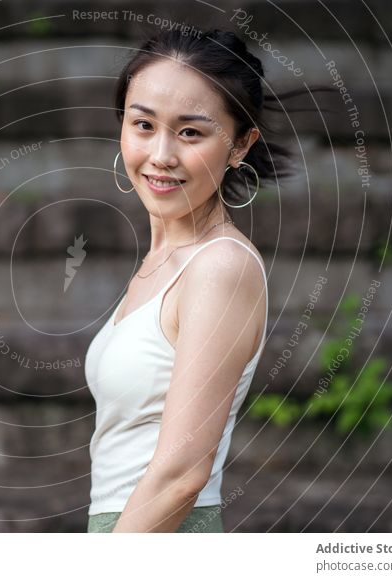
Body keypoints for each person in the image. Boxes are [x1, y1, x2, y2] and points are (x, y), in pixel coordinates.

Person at [84, 25, 296, 533]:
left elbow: (181, 474)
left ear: (240, 144)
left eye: (190, 132)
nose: (160, 155)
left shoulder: (219, 267)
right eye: (143, 125)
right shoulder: (165, 261)